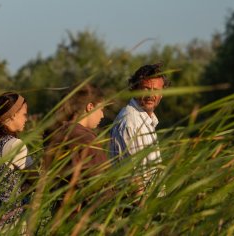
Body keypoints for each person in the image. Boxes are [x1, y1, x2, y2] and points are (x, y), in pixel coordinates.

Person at [43, 84, 110, 217]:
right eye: (101, 109)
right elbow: (102, 185)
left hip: (59, 214)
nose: (102, 115)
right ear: (90, 107)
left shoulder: (59, 132)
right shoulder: (84, 138)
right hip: (80, 218)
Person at [110, 63, 169, 195]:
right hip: (135, 209)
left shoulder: (146, 120)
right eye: (146, 89)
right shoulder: (130, 122)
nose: (151, 95)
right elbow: (134, 180)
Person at [0, 92, 34, 234]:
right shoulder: (15, 145)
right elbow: (34, 179)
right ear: (13, 114)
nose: (26, 119)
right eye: (24, 114)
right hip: (12, 224)